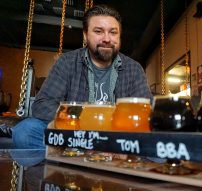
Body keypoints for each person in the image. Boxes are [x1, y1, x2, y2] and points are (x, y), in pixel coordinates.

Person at [12, 4, 152, 149]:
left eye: (113, 32)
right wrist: (83, 119)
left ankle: (80, 158)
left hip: (118, 138)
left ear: (119, 36)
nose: (106, 39)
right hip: (75, 135)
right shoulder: (67, 62)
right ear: (85, 35)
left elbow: (145, 111)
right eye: (98, 31)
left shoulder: (134, 69)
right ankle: (81, 155)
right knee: (25, 131)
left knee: (163, 141)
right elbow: (42, 104)